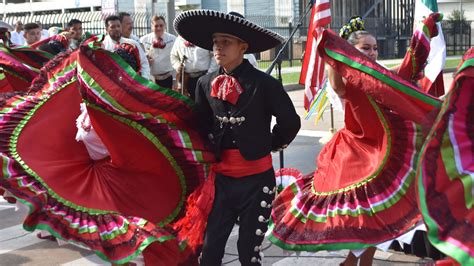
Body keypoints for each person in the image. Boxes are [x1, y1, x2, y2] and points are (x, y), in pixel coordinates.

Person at [269, 16, 442, 266]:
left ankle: (356, 263)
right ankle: (350, 263)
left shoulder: (380, 78)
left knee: (374, 219)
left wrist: (423, 33)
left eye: (374, 48)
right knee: (360, 218)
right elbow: (337, 84)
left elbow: (407, 69)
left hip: (383, 149)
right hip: (357, 155)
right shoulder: (350, 80)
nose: (372, 52)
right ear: (351, 50)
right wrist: (333, 52)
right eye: (365, 48)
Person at [173, 10, 301, 265]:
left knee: (247, 252)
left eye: (226, 42)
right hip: (221, 182)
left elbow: (290, 122)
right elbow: (201, 125)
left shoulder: (264, 84)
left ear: (243, 47)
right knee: (210, 251)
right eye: (215, 42)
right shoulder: (205, 83)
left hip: (257, 181)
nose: (218, 48)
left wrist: (270, 144)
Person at [102, 15, 151, 80]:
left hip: (133, 83)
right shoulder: (102, 46)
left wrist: (144, 79)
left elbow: (144, 63)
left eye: (118, 26)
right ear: (106, 29)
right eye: (112, 27)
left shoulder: (133, 44)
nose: (116, 29)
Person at [170, 35, 218, 99]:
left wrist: (209, 75)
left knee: (204, 101)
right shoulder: (179, 39)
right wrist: (177, 66)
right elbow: (173, 56)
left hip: (204, 76)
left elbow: (214, 56)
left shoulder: (205, 37)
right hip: (187, 79)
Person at [140, 15, 176, 89]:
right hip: (152, 79)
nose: (159, 28)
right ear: (152, 26)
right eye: (156, 26)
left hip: (168, 78)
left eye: (161, 25)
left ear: (165, 25)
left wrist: (176, 80)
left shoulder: (172, 39)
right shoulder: (144, 40)